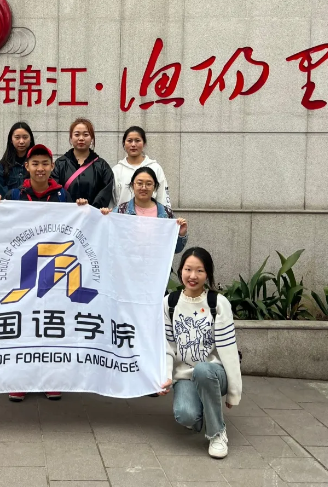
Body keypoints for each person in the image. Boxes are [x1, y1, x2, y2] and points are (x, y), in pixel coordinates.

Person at [0, 144, 88, 401]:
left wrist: (82, 209)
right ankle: (19, 379)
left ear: (52, 167)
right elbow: (1, 228)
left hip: (54, 271)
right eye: (35, 163)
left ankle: (51, 378)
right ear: (27, 167)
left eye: (45, 163)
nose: (40, 168)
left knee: (50, 324)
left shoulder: (63, 196)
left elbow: (78, 229)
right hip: (23, 269)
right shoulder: (14, 195)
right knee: (22, 323)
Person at [158, 247, 242, 459]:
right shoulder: (169, 303)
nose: (192, 276)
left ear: (208, 274)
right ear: (180, 270)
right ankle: (201, 410)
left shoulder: (218, 303)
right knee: (185, 416)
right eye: (188, 269)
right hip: (185, 375)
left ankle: (217, 433)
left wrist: (234, 392)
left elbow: (229, 350)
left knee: (203, 370)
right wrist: (166, 376)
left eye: (200, 271)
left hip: (214, 373)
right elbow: (168, 346)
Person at [101, 166, 187, 254]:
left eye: (149, 184)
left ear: (155, 187)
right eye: (139, 183)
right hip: (127, 261)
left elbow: (176, 249)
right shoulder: (120, 211)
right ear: (132, 185)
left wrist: (181, 234)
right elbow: (106, 241)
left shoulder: (166, 213)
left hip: (156, 261)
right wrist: (104, 219)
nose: (144, 187)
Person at [51, 118, 114, 208]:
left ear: (92, 138)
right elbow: (54, 191)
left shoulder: (102, 166)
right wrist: (72, 208)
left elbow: (105, 194)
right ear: (71, 137)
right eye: (77, 134)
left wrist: (90, 209)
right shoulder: (60, 164)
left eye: (86, 134)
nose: (81, 138)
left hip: (92, 215)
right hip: (67, 215)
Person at [112, 126, 171, 208]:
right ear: (124, 143)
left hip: (150, 215)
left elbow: (163, 197)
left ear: (144, 143)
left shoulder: (155, 168)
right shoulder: (116, 170)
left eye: (137, 140)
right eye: (129, 141)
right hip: (122, 215)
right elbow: (112, 201)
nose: (133, 144)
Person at [0, 121, 35, 197]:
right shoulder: (3, 165)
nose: (21, 141)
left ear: (31, 139)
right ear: (11, 140)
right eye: (17, 137)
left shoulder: (36, 163)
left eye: (25, 137)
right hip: (10, 204)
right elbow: (2, 194)